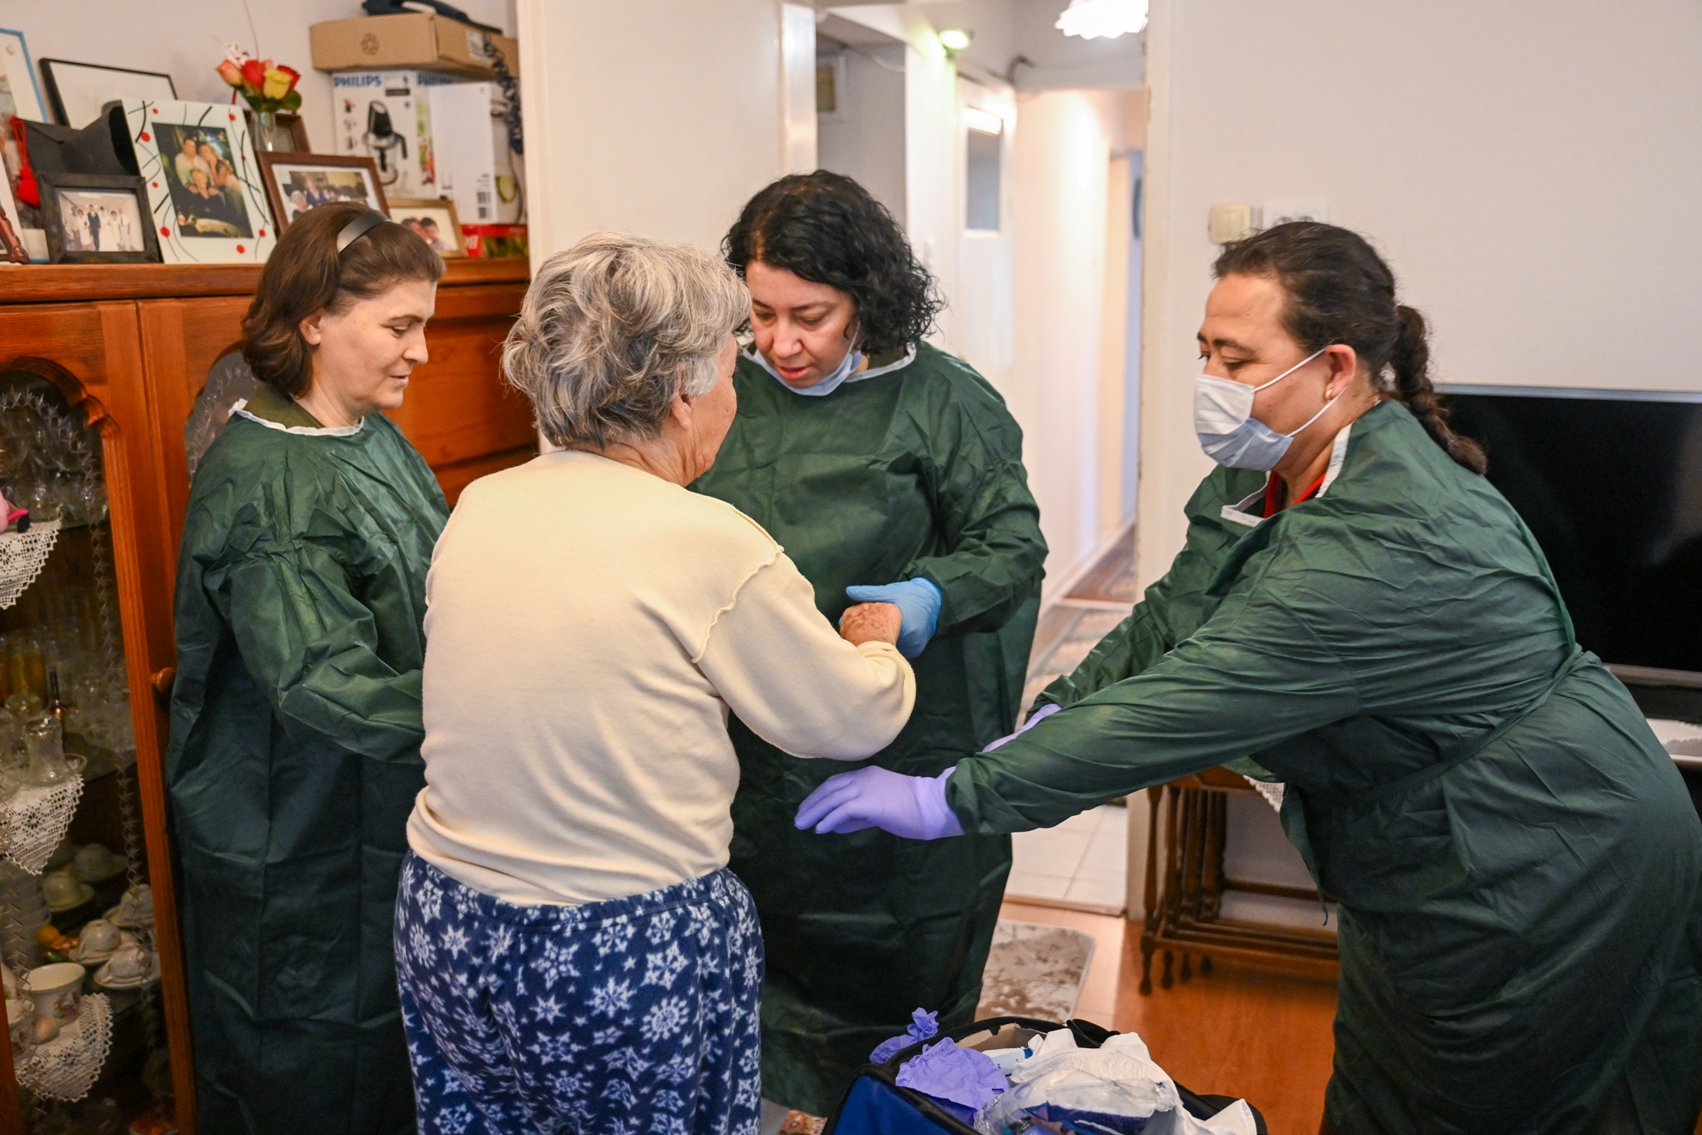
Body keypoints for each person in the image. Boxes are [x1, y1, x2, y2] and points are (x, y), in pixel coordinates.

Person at [797, 221, 1702, 1134]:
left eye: (1236, 360)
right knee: (1382, 1087)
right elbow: (1172, 614)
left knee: (1470, 1105)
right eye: (1205, 352)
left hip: (1541, 848)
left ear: (1334, 368)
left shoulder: (1376, 541)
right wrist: (1062, 704)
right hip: (1439, 844)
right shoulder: (1270, 467)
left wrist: (953, 796)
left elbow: (1184, 702)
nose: (1211, 381)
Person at [393, 231, 917, 1134]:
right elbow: (847, 717)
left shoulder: (482, 504)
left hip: (447, 919)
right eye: (732, 370)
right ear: (682, 390)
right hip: (613, 946)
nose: (734, 396)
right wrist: (879, 647)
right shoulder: (707, 541)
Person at [691, 171, 1048, 1115]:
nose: (782, 343)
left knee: (901, 994)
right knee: (756, 969)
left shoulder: (943, 402)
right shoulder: (723, 391)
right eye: (761, 314)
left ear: (868, 298)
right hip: (751, 749)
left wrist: (929, 596)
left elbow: (1012, 544)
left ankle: (905, 1110)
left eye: (810, 316)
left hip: (900, 740)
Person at [166, 202, 447, 1135]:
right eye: (399, 327)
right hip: (292, 837)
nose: (419, 352)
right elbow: (324, 679)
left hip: (381, 808)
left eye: (424, 326)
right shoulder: (268, 482)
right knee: (311, 1068)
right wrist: (493, 716)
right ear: (316, 317)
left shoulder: (369, 433)